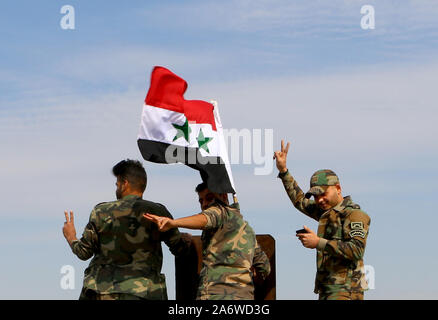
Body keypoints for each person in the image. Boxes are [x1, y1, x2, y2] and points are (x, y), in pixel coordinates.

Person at [62, 159, 190, 300]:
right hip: (144, 292)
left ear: (124, 184)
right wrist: (186, 239)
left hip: (101, 292)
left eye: (117, 184)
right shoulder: (157, 211)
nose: (116, 189)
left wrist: (71, 236)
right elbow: (180, 249)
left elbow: (83, 252)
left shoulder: (101, 211)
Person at [274, 140, 371, 300]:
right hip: (327, 290)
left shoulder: (354, 215)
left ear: (338, 189)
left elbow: (356, 250)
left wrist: (318, 242)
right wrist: (283, 171)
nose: (319, 200)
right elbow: (299, 200)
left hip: (346, 291)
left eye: (323, 194)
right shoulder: (325, 213)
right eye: (316, 196)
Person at [144, 182, 271, 300]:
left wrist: (173, 223)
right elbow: (264, 267)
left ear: (224, 196)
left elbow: (207, 217)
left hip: (215, 295)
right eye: (201, 200)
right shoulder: (247, 229)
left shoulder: (220, 211)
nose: (204, 204)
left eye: (209, 198)